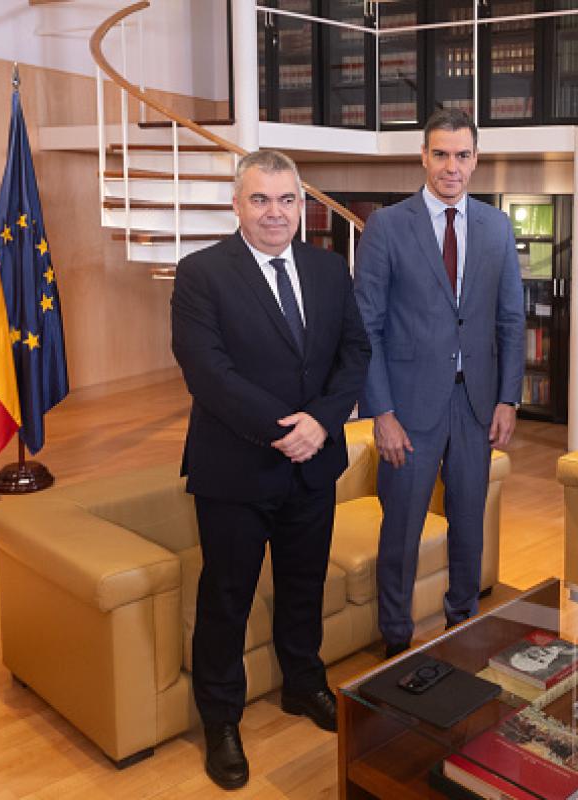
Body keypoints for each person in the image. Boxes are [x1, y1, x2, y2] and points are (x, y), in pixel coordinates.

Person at [170, 150, 370, 790]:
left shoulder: (328, 268)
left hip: (314, 465)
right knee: (226, 597)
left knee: (303, 581)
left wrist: (323, 423)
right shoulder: (202, 274)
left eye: (287, 200)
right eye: (260, 199)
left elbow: (354, 351)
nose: (275, 212)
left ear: (302, 206)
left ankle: (304, 683)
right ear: (236, 204)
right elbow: (208, 372)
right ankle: (221, 720)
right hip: (236, 468)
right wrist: (289, 430)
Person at [354, 108, 525, 659]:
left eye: (463, 155)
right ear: (424, 156)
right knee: (401, 528)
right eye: (442, 154)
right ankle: (397, 640)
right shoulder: (386, 225)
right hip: (407, 409)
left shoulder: (497, 227)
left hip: (475, 404)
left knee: (469, 524)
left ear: (476, 160)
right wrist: (380, 412)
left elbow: (510, 320)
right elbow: (367, 327)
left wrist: (507, 397)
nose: (452, 166)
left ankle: (463, 626)